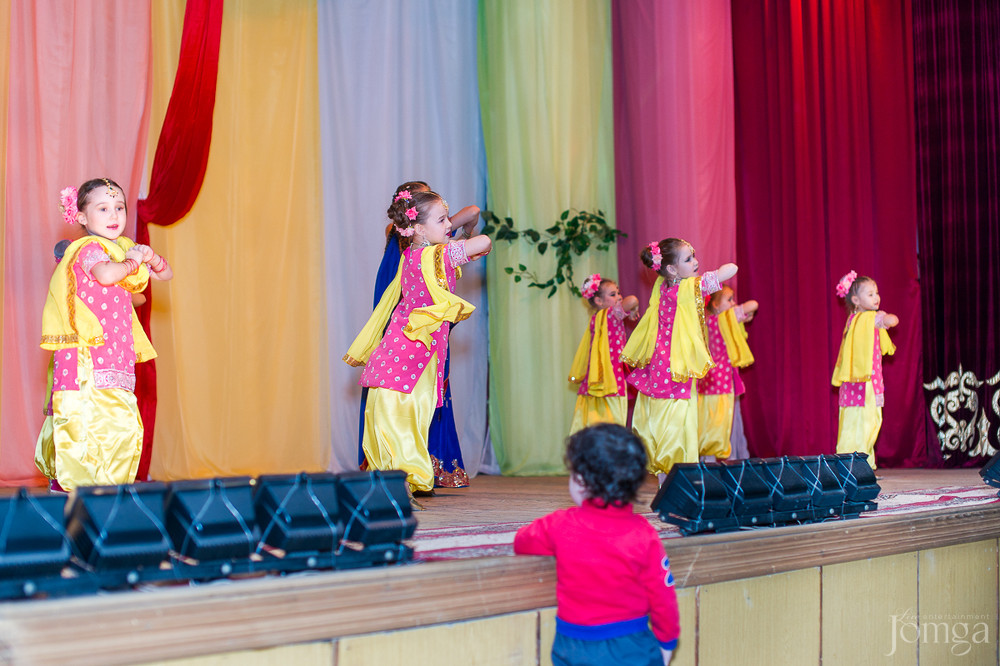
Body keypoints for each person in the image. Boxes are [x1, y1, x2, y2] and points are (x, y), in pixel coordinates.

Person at [344, 189, 490, 497]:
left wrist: (449, 241)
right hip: (414, 355)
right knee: (408, 418)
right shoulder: (436, 255)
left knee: (390, 415)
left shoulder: (410, 254)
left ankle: (390, 478)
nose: (448, 223)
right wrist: (457, 246)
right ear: (419, 228)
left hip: (396, 350)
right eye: (441, 219)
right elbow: (484, 242)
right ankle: (409, 477)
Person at [39, 178, 173, 490]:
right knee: (84, 426)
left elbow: (165, 275)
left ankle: (106, 497)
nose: (114, 215)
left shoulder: (120, 247)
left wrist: (150, 257)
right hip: (86, 356)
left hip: (115, 354)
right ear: (83, 217)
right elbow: (107, 274)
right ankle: (70, 495)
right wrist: (132, 262)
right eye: (103, 208)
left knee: (117, 428)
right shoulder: (89, 249)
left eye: (119, 208)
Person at [514, 424, 680, 665]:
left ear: (580, 481)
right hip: (630, 647)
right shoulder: (644, 535)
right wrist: (667, 643)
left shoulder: (559, 524)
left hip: (573, 646)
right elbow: (663, 596)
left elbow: (522, 541)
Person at [622, 239, 738, 482]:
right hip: (675, 365)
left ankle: (668, 479)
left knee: (665, 420)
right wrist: (712, 275)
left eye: (694, 255)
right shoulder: (687, 289)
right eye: (688, 259)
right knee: (676, 423)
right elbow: (731, 269)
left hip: (659, 363)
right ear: (672, 269)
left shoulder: (663, 287)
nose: (695, 261)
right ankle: (673, 482)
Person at [831, 271, 897, 469]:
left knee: (867, 424)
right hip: (861, 382)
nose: (876, 297)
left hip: (867, 381)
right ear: (855, 300)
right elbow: (892, 321)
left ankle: (863, 466)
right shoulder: (867, 319)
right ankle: (851, 467)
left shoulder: (857, 320)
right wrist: (885, 318)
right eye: (870, 294)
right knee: (858, 426)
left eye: (876, 293)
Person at [568, 274, 638, 433]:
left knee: (596, 423)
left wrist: (631, 309)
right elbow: (632, 299)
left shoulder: (598, 319)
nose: (619, 297)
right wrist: (633, 307)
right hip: (611, 381)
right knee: (613, 424)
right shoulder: (610, 316)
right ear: (599, 301)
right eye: (613, 295)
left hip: (598, 381)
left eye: (619, 293)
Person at [696, 285, 758, 460]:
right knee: (722, 422)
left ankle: (712, 460)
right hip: (722, 383)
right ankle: (725, 461)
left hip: (710, 381)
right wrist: (739, 313)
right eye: (729, 299)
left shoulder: (707, 322)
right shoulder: (723, 320)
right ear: (715, 305)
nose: (733, 303)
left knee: (710, 422)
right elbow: (753, 304)